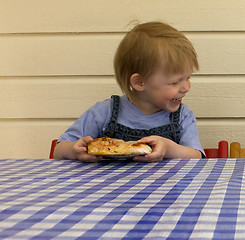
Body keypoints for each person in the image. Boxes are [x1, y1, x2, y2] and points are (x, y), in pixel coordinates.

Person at [54, 22, 204, 162]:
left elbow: (195, 156)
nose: (186, 87)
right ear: (139, 82)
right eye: (175, 82)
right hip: (110, 188)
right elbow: (59, 150)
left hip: (168, 189)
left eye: (187, 78)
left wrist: (169, 147)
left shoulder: (182, 116)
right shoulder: (104, 112)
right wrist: (75, 150)